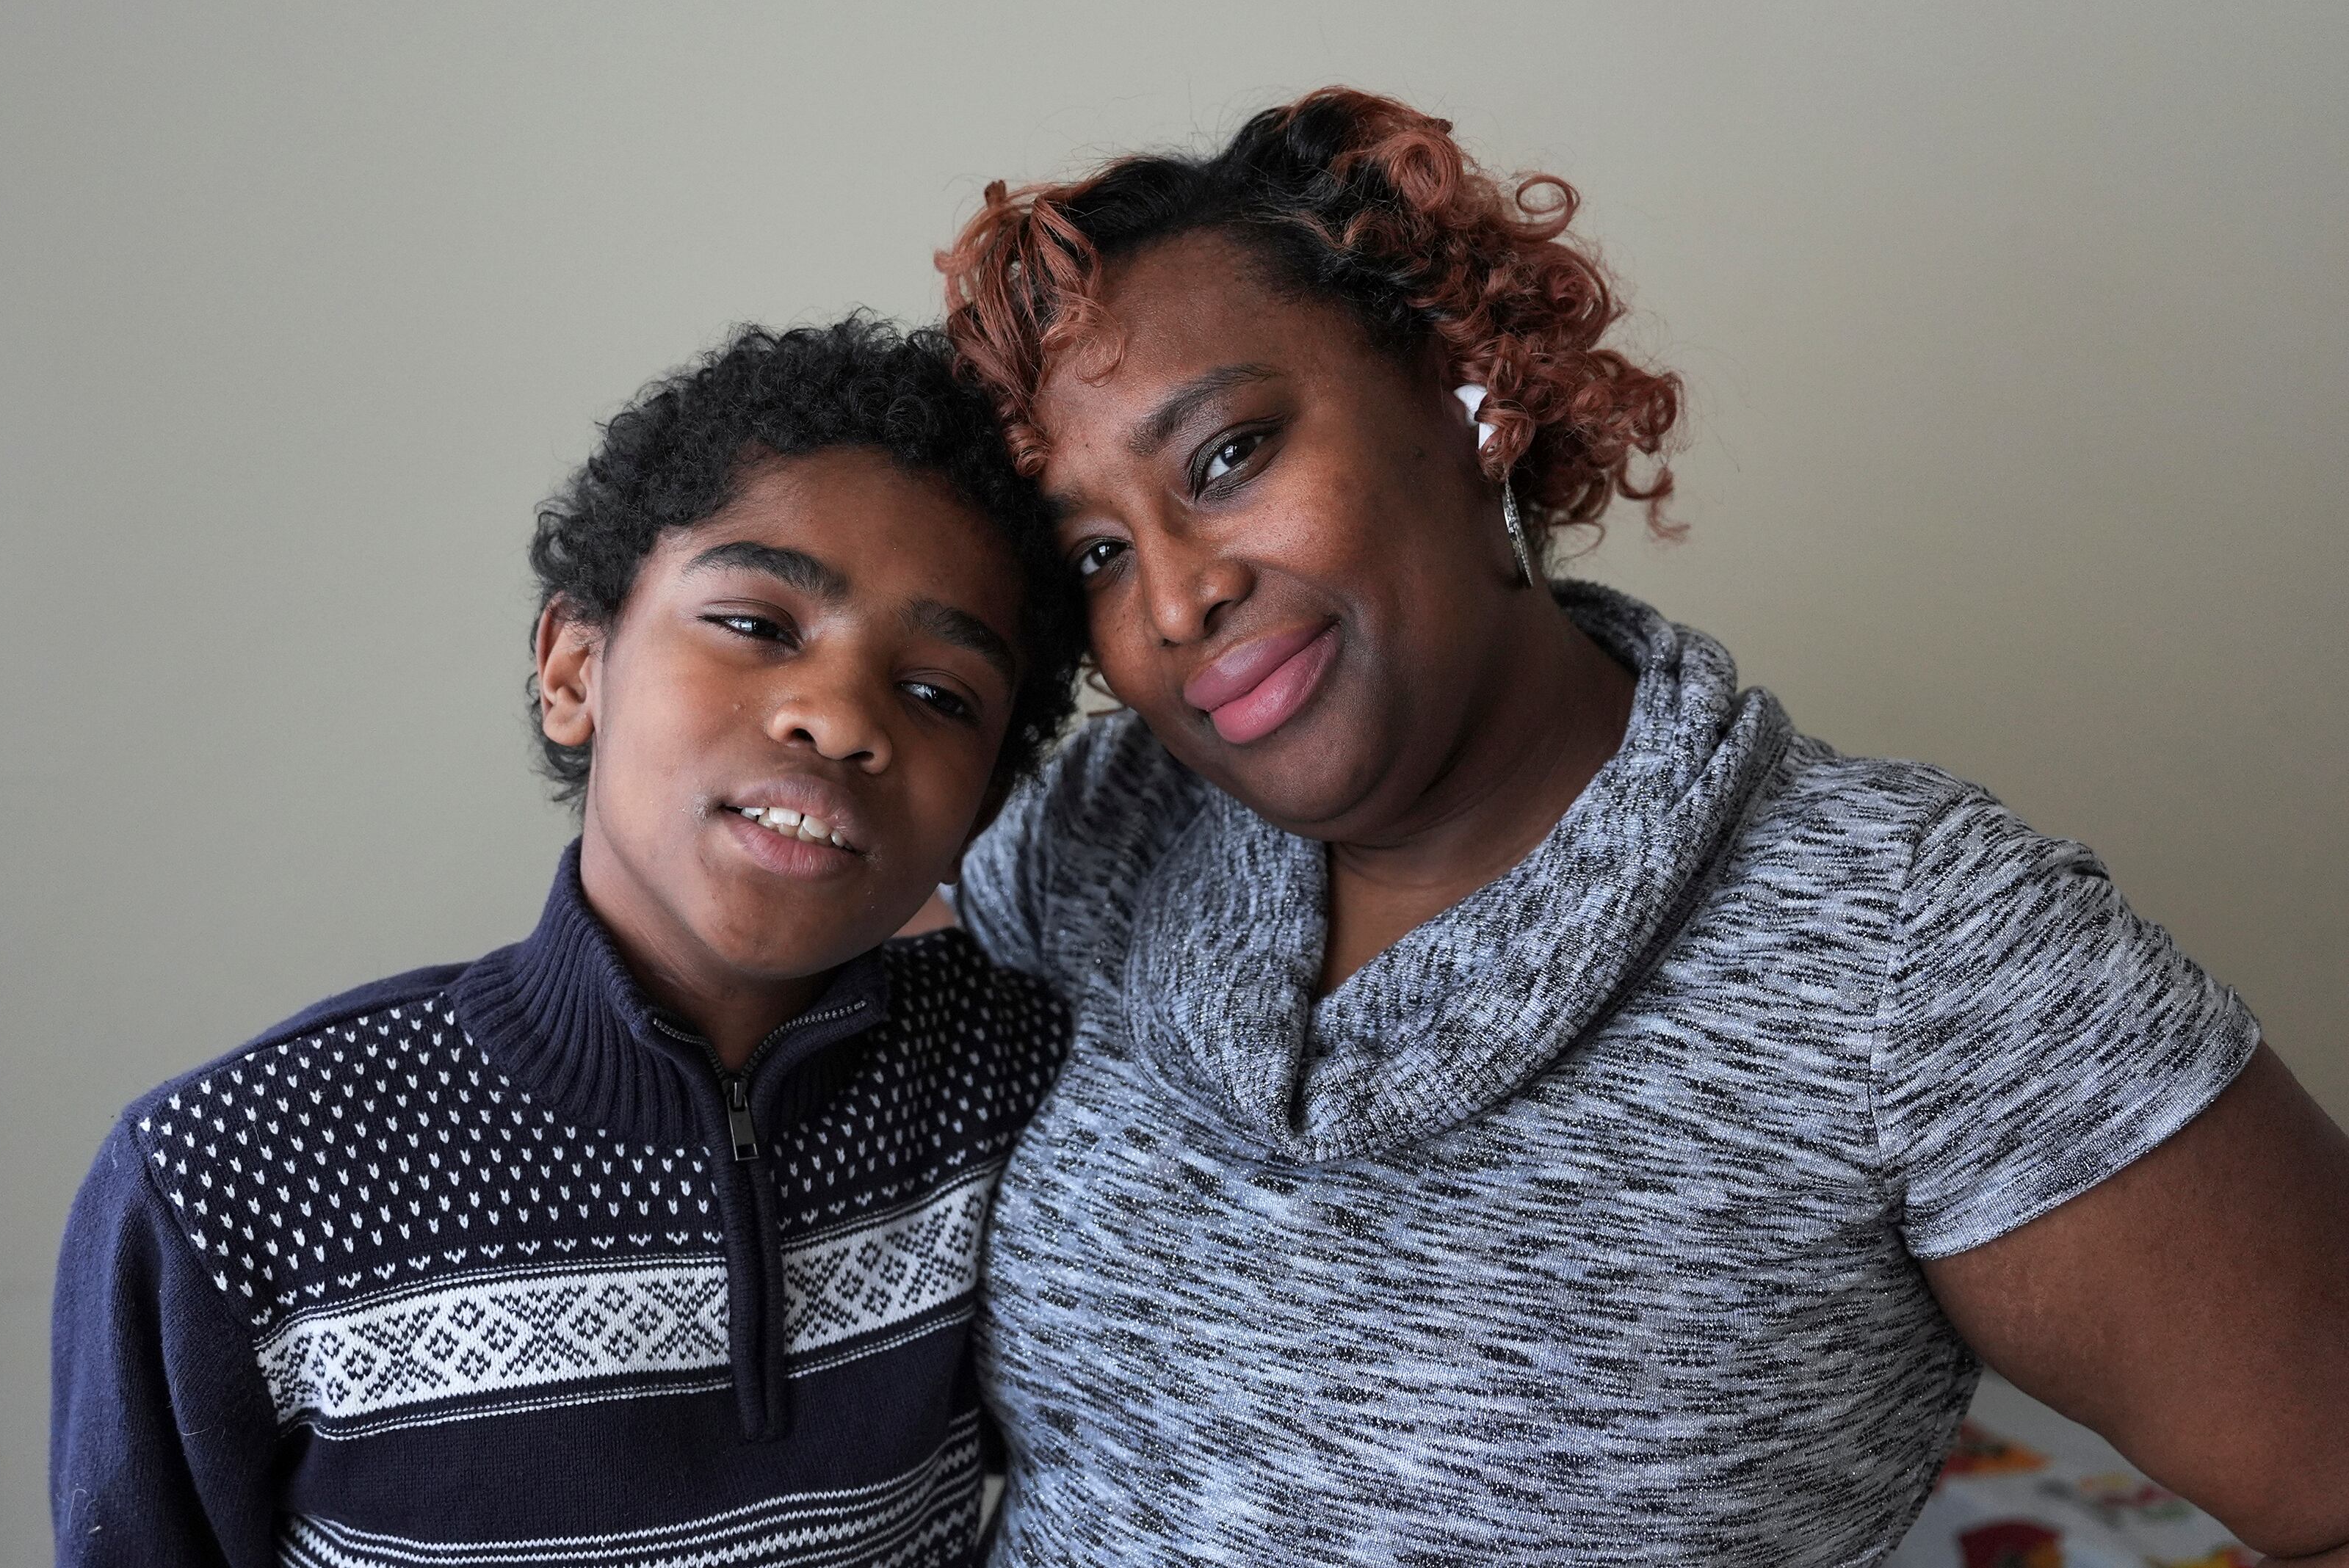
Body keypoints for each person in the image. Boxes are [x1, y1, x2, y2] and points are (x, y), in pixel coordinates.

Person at [933, 90, 2349, 1564]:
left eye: (1226, 458)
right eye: (1096, 552)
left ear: (1467, 389)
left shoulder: (1908, 943)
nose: (1171, 600)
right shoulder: (1105, 829)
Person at [49, 319, 1085, 1568]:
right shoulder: (230, 1176)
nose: (840, 717)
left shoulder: (1018, 1079)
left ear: (980, 801)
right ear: (572, 669)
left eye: (939, 695)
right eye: (758, 624)